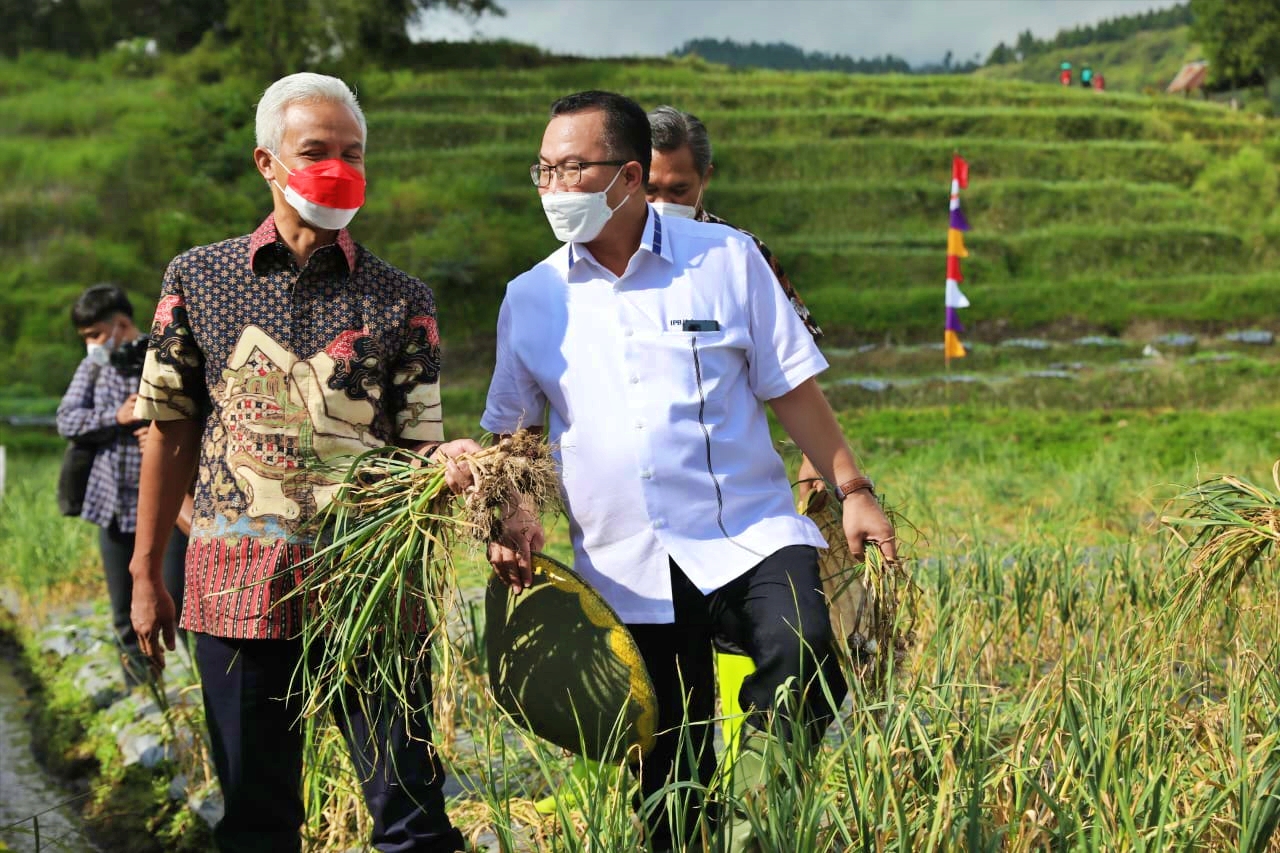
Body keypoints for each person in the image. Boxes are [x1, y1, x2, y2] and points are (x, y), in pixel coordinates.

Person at [483, 90, 896, 851]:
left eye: (573, 167)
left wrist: (853, 489)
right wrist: (510, 514)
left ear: (630, 175)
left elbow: (792, 388)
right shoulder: (531, 296)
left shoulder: (726, 258)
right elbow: (516, 433)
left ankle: (758, 818)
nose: (553, 187)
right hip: (625, 557)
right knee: (669, 758)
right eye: (542, 169)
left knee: (803, 650)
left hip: (748, 530)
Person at [127, 72, 479, 853]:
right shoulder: (199, 278)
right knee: (257, 821)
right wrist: (146, 568)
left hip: (372, 589)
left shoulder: (400, 296)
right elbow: (169, 429)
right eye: (315, 150)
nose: (338, 167)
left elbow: (420, 442)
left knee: (413, 817)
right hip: (234, 587)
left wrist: (453, 462)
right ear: (268, 162)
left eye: (353, 152)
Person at [56, 284, 187, 689]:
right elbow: (66, 420)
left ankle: (197, 691)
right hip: (112, 505)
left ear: (122, 324)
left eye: (96, 334)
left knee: (180, 604)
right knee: (123, 610)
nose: (92, 345)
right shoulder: (94, 369)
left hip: (167, 506)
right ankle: (144, 692)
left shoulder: (165, 356)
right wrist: (114, 416)